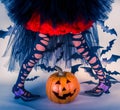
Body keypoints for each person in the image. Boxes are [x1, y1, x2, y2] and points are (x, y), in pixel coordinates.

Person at [1, 0, 113, 101]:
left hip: (68, 6)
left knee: (42, 48)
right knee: (76, 45)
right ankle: (104, 82)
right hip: (52, 7)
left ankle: (18, 87)